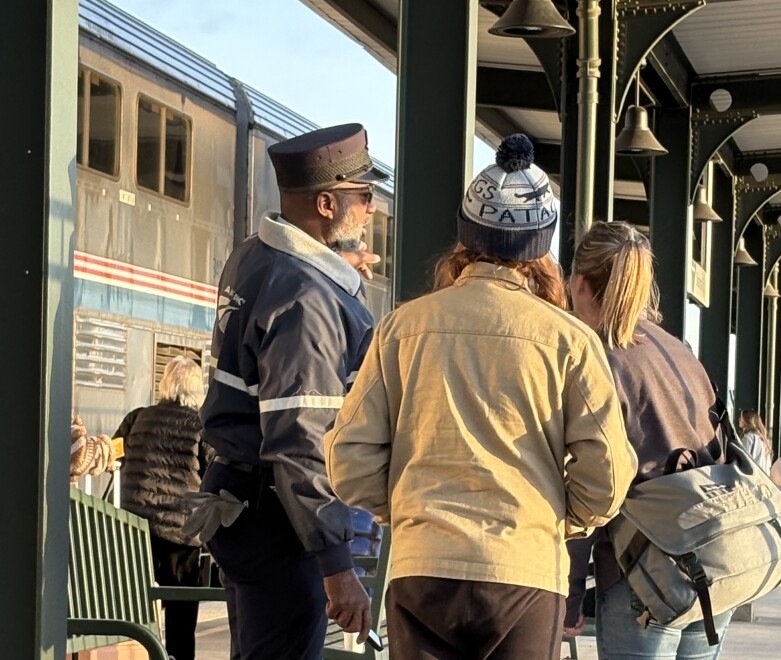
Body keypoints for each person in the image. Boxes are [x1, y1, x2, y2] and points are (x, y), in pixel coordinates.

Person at [324, 134, 638, 660]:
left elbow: (347, 459)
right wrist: (560, 518)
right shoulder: (570, 340)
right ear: (542, 247)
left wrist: (407, 512)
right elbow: (606, 475)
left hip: (421, 568)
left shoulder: (402, 329)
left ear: (465, 238)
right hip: (525, 572)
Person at [197, 123, 387, 660]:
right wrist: (337, 567)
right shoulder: (306, 300)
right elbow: (302, 439)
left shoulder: (254, 256)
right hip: (283, 524)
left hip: (244, 506)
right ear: (327, 203)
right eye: (364, 196)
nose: (372, 208)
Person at [567, 220, 734, 659]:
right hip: (713, 561)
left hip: (645, 572)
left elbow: (592, 482)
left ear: (581, 283)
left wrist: (568, 593)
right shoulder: (679, 350)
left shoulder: (600, 360)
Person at [114, 356, 212, 660]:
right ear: (197, 389)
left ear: (165, 383)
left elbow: (113, 457)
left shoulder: (136, 417)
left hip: (135, 533)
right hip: (179, 535)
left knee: (138, 606)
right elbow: (212, 472)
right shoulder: (200, 425)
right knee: (182, 611)